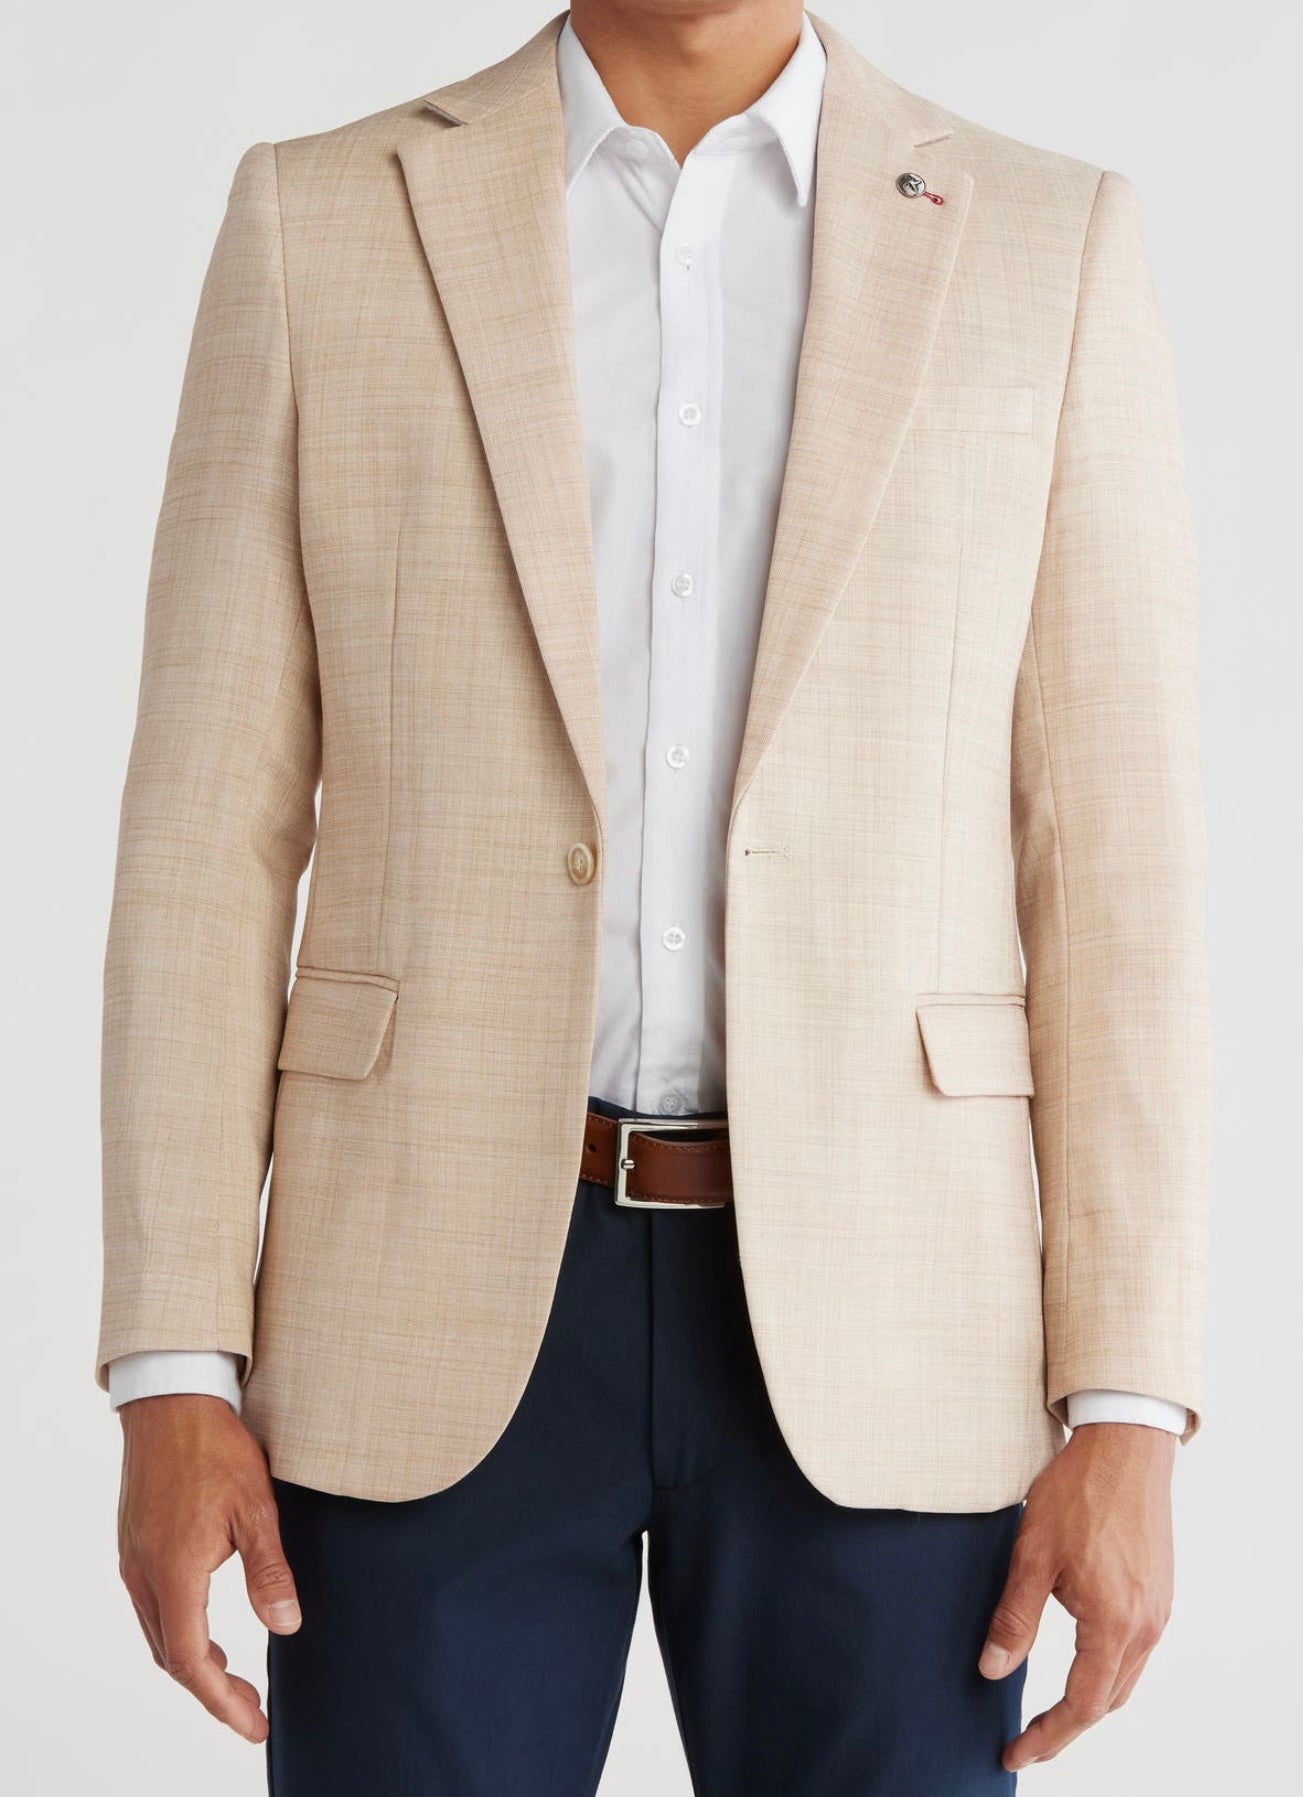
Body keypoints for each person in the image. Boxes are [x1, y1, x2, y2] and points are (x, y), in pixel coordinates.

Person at [98, 4, 1210, 1791]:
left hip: (894, 1314)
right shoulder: (321, 220)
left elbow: (1119, 864)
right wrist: (173, 1360)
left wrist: (1132, 1397)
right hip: (420, 1295)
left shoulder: (1047, 243)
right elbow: (201, 834)